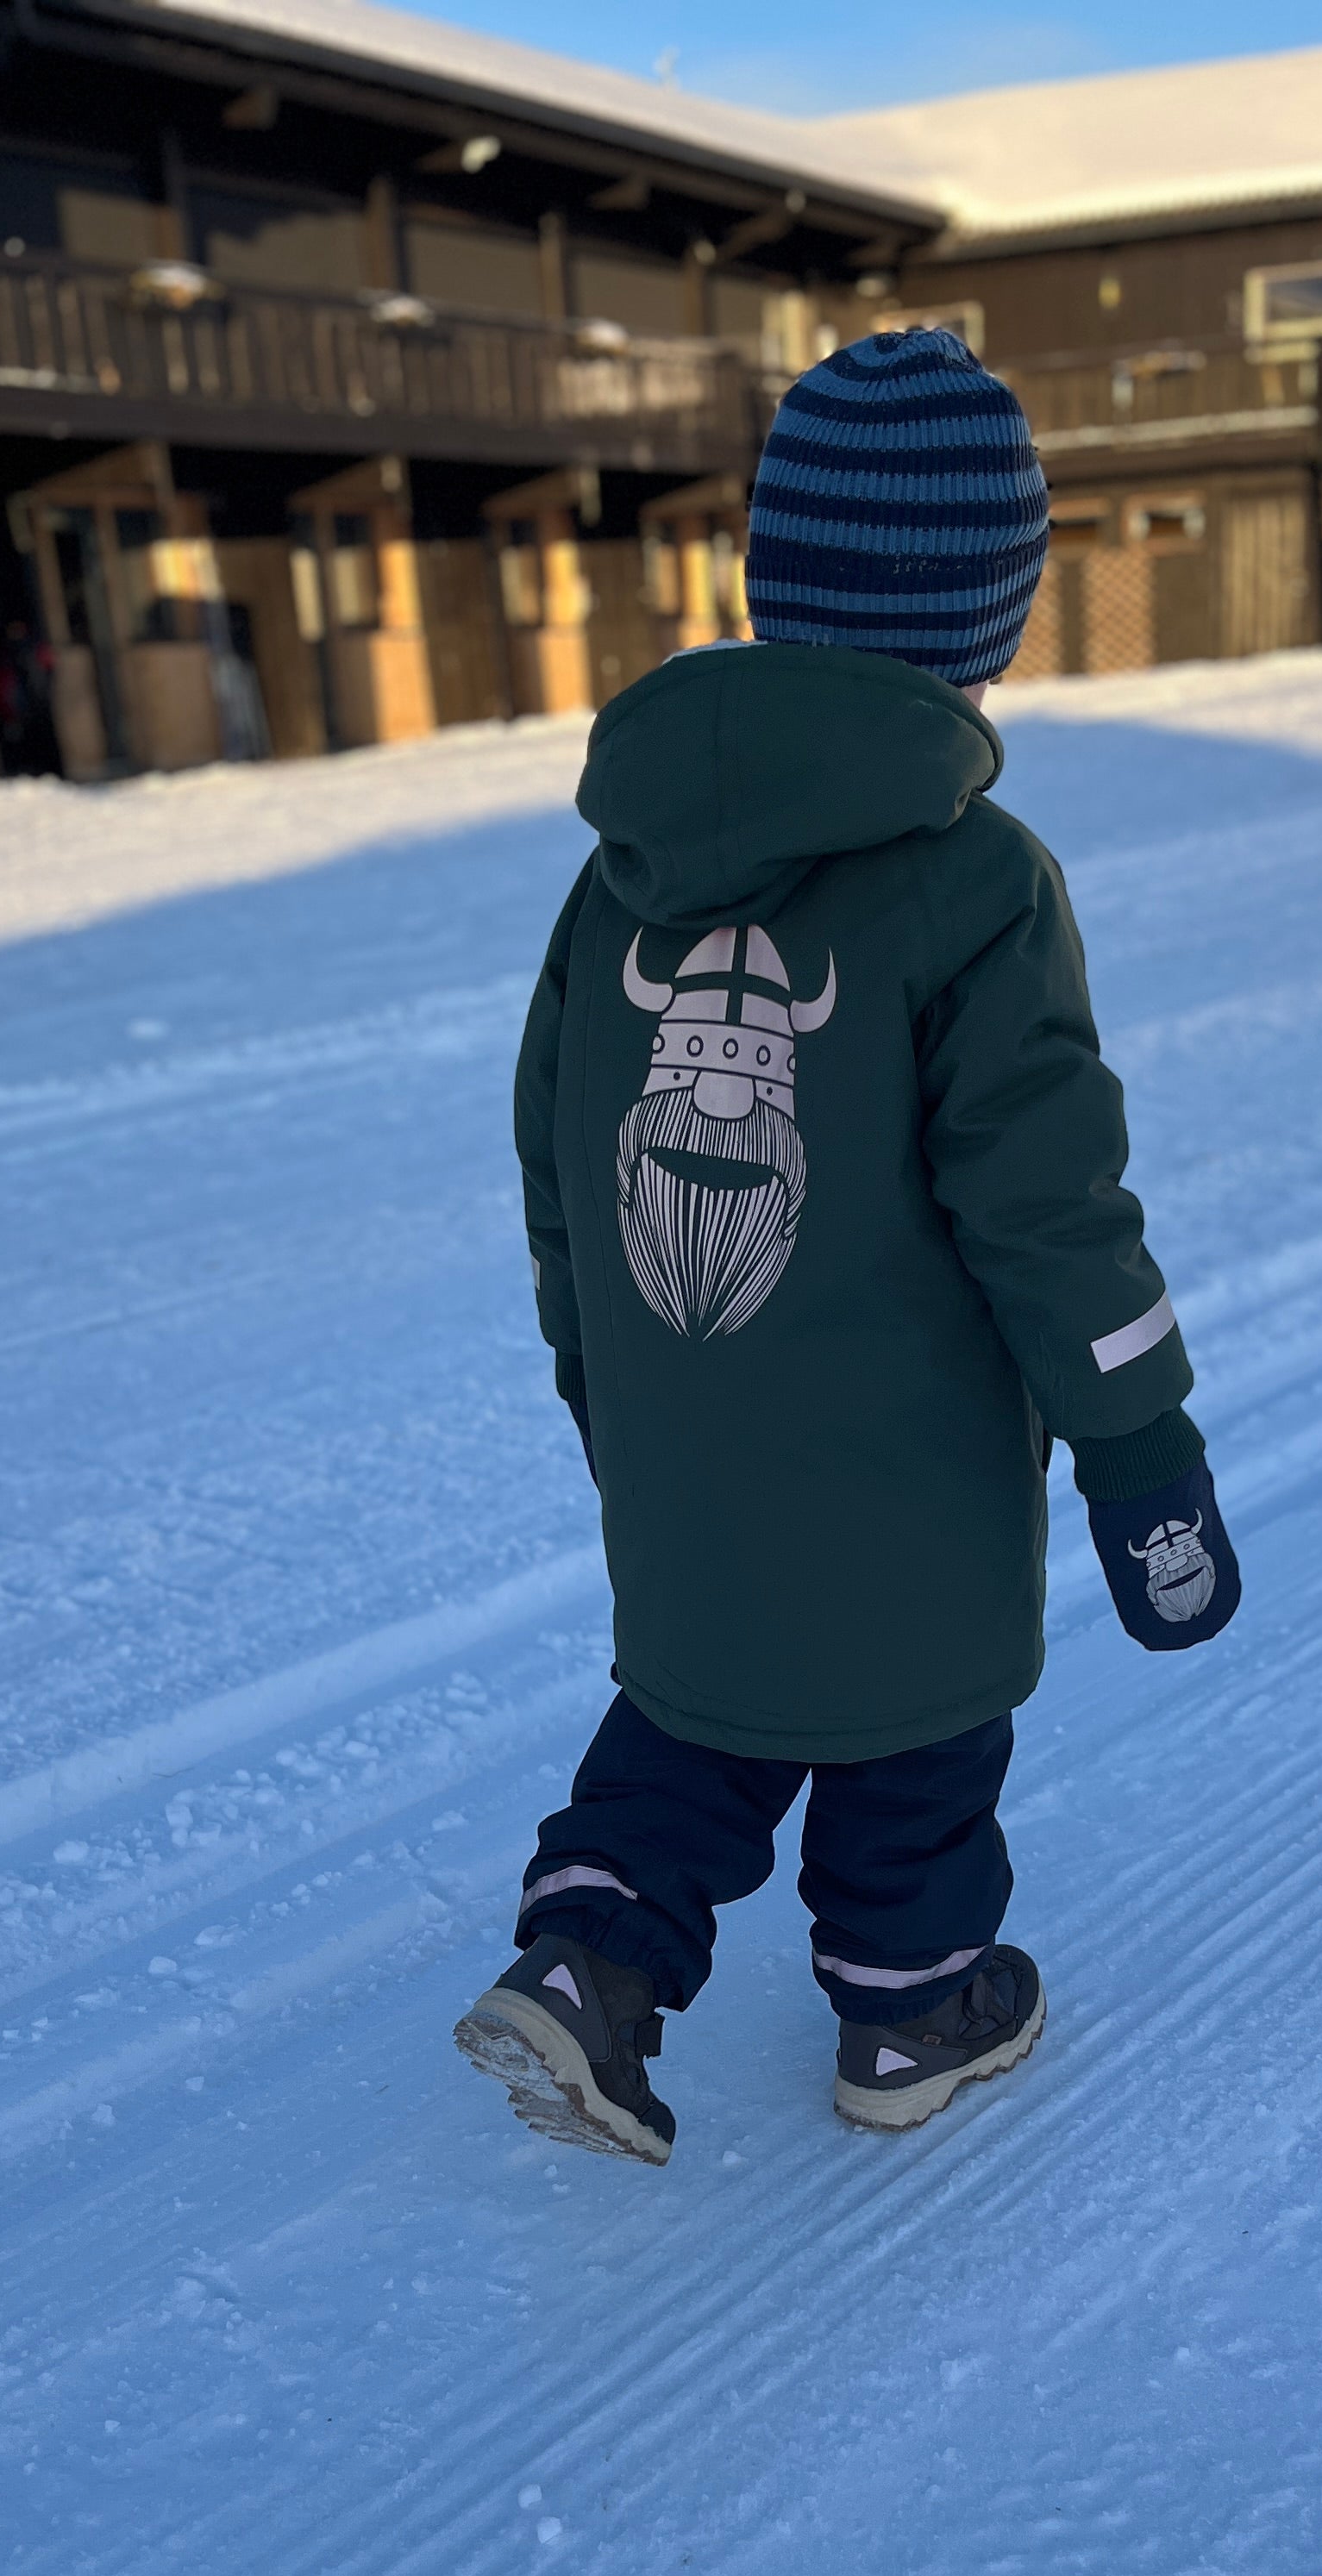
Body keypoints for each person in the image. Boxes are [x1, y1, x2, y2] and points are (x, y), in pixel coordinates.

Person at [456, 328, 1239, 2166]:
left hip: (679, 1415)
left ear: (771, 576)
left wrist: (605, 1378)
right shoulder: (975, 880)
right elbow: (1047, 1205)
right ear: (996, 614)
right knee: (916, 1724)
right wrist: (1141, 1442)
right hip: (905, 1458)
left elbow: (555, 1148)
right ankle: (912, 2007)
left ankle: (590, 1959)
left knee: (700, 1709)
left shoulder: (623, 867)